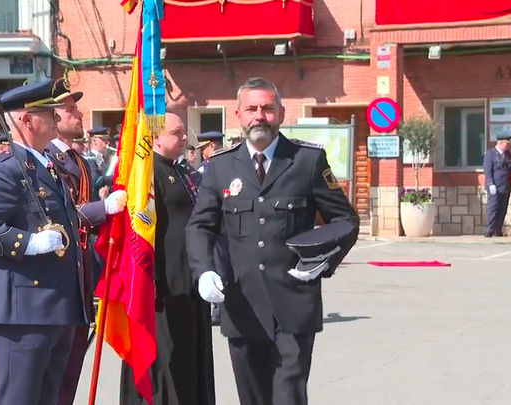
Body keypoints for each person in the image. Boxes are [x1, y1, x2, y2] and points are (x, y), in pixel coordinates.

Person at [185, 77, 359, 405]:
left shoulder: (307, 161)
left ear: (281, 113)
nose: (259, 116)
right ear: (238, 114)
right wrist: (203, 270)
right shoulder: (221, 166)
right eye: (251, 109)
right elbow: (200, 227)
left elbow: (345, 221)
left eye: (267, 108)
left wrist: (319, 261)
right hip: (243, 305)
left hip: (294, 303)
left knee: (288, 395)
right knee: (252, 398)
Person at [0, 79, 87, 405]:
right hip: (23, 312)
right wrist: (29, 243)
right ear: (27, 120)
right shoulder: (4, 170)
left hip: (56, 306)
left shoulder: (48, 166)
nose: (58, 119)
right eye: (50, 113)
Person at [121, 112, 215, 405]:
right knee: (167, 360)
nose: (185, 137)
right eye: (176, 133)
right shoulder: (147, 173)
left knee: (190, 356)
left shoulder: (183, 170)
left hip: (188, 279)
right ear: (156, 137)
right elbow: (139, 230)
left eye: (184, 132)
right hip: (162, 284)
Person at [45, 78, 127, 404]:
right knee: (51, 375)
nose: (79, 114)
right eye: (71, 109)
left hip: (79, 272)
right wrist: (102, 209)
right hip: (56, 273)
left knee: (71, 369)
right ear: (53, 117)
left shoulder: (77, 160)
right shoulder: (46, 159)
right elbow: (59, 215)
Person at [483, 135, 511, 237]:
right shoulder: (490, 154)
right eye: (506, 144)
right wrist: (490, 183)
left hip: (505, 186)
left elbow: (509, 166)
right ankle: (490, 230)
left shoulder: (507, 154)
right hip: (495, 186)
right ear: (500, 143)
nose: (508, 146)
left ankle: (498, 229)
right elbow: (488, 170)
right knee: (493, 208)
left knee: (502, 209)